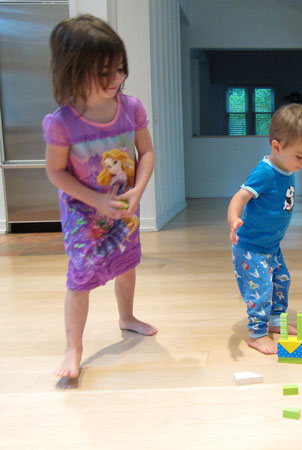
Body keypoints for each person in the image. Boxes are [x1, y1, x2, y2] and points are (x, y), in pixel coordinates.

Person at [42, 15, 157, 378]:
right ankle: (72, 348)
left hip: (123, 204)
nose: (116, 80)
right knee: (81, 278)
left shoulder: (132, 107)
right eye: (104, 73)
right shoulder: (62, 123)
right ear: (74, 71)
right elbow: (55, 172)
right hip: (83, 213)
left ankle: (127, 317)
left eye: (120, 70)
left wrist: (137, 190)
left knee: (127, 263)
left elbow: (147, 153)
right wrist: (96, 202)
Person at [228, 103, 302, 355]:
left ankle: (275, 320)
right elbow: (239, 197)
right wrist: (234, 219)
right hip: (250, 248)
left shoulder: (287, 167)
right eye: (300, 156)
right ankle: (256, 334)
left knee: (282, 281)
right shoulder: (265, 172)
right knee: (261, 289)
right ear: (276, 147)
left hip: (271, 246)